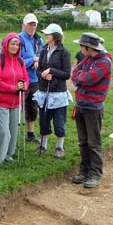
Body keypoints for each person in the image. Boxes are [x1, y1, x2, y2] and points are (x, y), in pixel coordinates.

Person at [70, 32, 113, 189]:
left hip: (93, 108)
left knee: (94, 142)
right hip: (81, 105)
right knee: (83, 141)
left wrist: (80, 78)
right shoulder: (87, 59)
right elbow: (74, 74)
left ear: (89, 47)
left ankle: (95, 174)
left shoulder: (104, 62)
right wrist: (80, 77)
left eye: (81, 46)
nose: (80, 48)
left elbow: (87, 79)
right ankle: (84, 170)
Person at [0, 32, 29, 165]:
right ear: (6, 44)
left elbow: (26, 78)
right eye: (12, 44)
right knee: (3, 131)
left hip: (16, 101)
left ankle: (9, 155)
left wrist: (24, 85)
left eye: (17, 44)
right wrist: (14, 88)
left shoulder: (20, 61)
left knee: (14, 130)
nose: (15, 47)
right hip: (1, 101)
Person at [34, 23, 72, 158]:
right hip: (44, 91)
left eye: (48, 34)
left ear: (55, 36)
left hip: (58, 93)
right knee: (43, 120)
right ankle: (43, 145)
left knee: (59, 121)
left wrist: (52, 71)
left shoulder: (64, 52)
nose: (46, 35)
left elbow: (67, 74)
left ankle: (59, 147)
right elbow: (38, 70)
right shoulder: (44, 50)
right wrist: (43, 74)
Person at [19, 13, 44, 144]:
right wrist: (32, 60)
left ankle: (30, 133)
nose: (32, 27)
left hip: (35, 79)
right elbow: (17, 59)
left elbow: (43, 55)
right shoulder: (19, 39)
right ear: (23, 25)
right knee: (18, 106)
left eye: (34, 25)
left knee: (33, 107)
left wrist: (38, 59)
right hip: (21, 79)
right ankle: (13, 132)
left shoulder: (39, 40)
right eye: (30, 24)